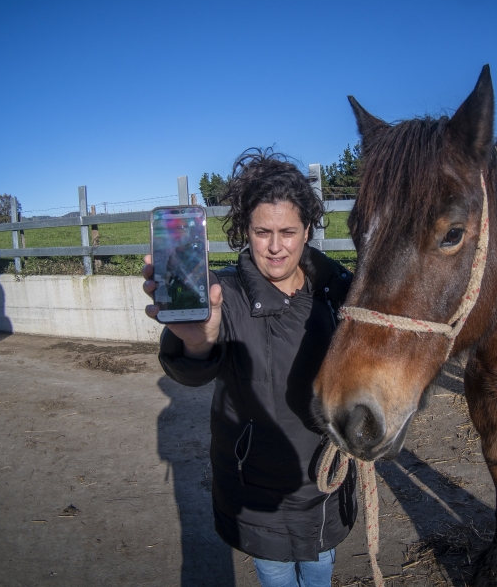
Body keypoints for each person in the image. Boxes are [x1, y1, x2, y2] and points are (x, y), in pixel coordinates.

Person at [143, 150, 357, 587]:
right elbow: (191, 371)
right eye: (262, 232)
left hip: (324, 484)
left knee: (320, 574)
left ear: (308, 231)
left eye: (287, 232)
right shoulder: (225, 294)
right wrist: (197, 343)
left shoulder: (341, 294)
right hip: (257, 488)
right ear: (246, 231)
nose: (275, 246)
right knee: (276, 577)